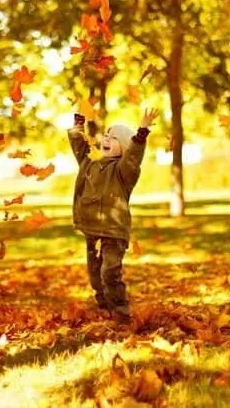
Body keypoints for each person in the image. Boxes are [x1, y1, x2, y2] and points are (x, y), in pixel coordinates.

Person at [68, 108, 160, 324]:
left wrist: (142, 132)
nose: (106, 139)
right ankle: (103, 305)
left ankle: (119, 309)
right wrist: (78, 126)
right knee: (94, 273)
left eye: (114, 138)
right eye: (106, 135)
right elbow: (79, 147)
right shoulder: (90, 162)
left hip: (113, 231)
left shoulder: (123, 171)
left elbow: (134, 157)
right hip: (93, 231)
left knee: (109, 271)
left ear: (124, 148)